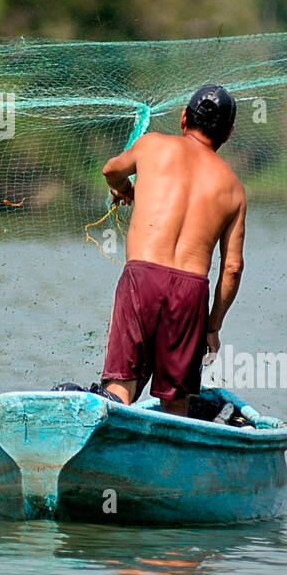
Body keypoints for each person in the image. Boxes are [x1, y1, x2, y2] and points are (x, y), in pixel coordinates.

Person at [97, 85, 245, 417]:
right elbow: (232, 268)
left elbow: (111, 170)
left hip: (142, 276)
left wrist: (125, 189)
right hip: (191, 292)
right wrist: (212, 326)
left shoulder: (151, 146)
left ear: (183, 118)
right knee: (176, 400)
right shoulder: (234, 188)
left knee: (121, 384)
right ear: (228, 133)